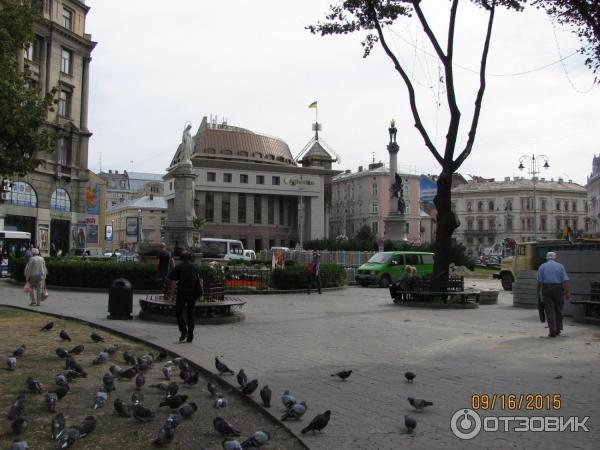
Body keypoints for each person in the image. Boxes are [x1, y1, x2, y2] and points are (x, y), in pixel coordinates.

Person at [167, 251, 203, 343]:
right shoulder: (195, 266)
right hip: (193, 294)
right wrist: (201, 293)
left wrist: (172, 295)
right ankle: (190, 336)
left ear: (181, 258)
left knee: (178, 313)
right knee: (190, 315)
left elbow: (174, 282)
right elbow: (200, 280)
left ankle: (184, 331)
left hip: (182, 293)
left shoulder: (179, 267)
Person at [537, 251, 571, 337]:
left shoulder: (542, 266)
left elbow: (539, 282)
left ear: (546, 258)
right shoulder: (560, 266)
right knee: (558, 309)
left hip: (546, 289)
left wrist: (538, 292)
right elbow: (566, 280)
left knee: (549, 310)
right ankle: (558, 329)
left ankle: (552, 331)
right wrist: (567, 292)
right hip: (558, 289)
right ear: (555, 257)